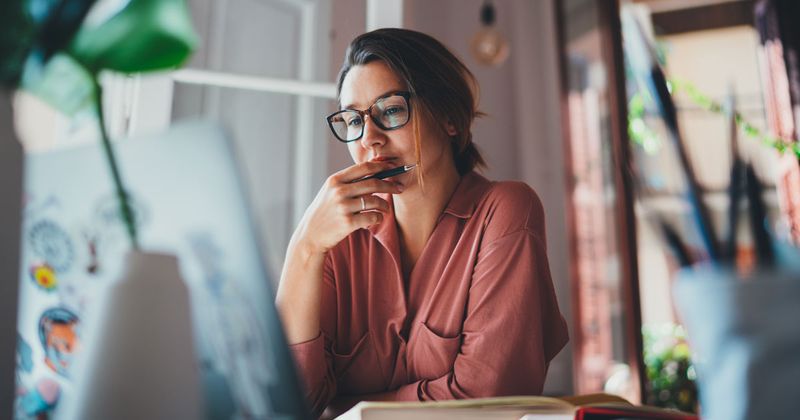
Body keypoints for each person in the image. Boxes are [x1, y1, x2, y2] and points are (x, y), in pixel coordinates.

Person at [276, 28, 568, 418]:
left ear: (449, 117)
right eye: (353, 120)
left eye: (391, 110)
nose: (370, 140)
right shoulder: (336, 238)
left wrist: (347, 410)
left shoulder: (505, 211)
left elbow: (488, 400)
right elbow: (289, 404)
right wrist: (305, 248)